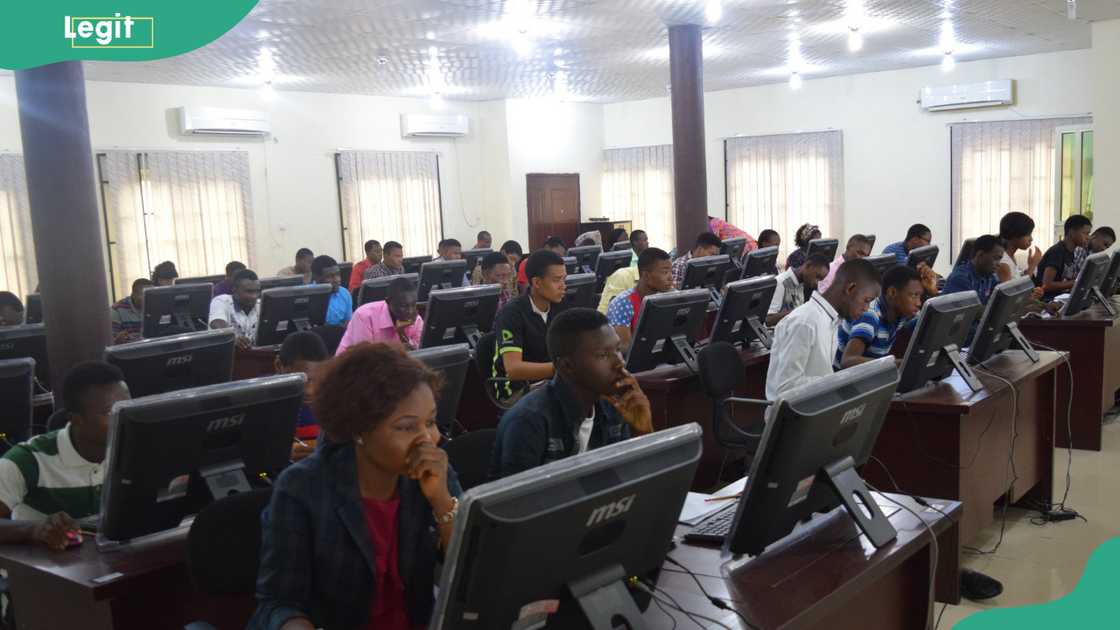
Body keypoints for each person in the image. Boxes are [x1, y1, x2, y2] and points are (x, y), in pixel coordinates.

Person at [249, 344, 460, 630]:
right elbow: (277, 602)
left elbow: (470, 573)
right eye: (406, 427)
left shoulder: (433, 473)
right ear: (360, 430)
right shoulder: (302, 489)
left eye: (432, 422)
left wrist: (442, 502)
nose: (427, 439)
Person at [489, 308, 652, 479]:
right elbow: (518, 502)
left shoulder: (614, 408)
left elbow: (634, 484)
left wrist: (642, 431)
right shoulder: (529, 421)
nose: (620, 362)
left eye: (618, 350)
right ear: (567, 366)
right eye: (603, 355)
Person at [0, 361, 129, 548]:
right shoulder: (28, 459)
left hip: (109, 563)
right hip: (39, 571)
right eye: (110, 412)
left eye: (127, 406)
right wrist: (34, 529)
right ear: (76, 419)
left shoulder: (135, 450)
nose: (124, 417)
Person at [765, 258, 880, 401]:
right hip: (791, 418)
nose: (866, 309)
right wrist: (837, 381)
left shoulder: (831, 320)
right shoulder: (805, 322)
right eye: (866, 300)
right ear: (850, 289)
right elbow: (786, 388)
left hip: (816, 407)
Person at [493, 250, 569, 401]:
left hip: (550, 383)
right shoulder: (511, 313)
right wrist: (563, 369)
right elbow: (514, 369)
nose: (563, 286)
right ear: (537, 283)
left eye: (564, 279)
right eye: (557, 280)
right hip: (516, 391)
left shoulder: (560, 307)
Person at [835, 265, 922, 369]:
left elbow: (929, 321)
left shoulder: (901, 313)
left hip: (868, 375)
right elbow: (848, 361)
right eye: (914, 295)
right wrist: (895, 364)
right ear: (892, 292)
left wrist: (933, 292)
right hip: (842, 378)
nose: (919, 303)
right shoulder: (870, 315)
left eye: (920, 296)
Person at [275, 331, 330, 462]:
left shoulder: (332, 403)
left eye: (317, 380)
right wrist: (280, 453)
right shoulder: (261, 400)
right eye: (302, 380)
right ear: (278, 366)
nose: (310, 391)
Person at [336, 277, 423, 354]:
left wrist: (401, 333)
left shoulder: (416, 319)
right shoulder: (364, 316)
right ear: (388, 302)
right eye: (404, 306)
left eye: (413, 304)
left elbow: (418, 353)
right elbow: (364, 358)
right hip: (349, 367)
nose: (410, 311)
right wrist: (396, 350)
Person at [607, 248, 673, 348]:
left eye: (670, 272)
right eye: (665, 272)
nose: (670, 278)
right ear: (646, 275)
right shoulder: (623, 303)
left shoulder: (666, 297)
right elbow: (624, 348)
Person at [1036, 215, 1092, 299]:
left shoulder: (1072, 252)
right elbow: (1046, 285)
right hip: (1047, 300)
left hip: (1061, 297)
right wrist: (1077, 282)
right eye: (1085, 233)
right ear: (1072, 232)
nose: (1088, 237)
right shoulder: (1057, 252)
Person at [767, 254, 832, 326]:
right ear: (808, 265)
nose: (817, 283)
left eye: (820, 280)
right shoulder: (781, 283)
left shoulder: (802, 283)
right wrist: (799, 311)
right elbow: (768, 319)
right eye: (817, 277)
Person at [208, 269, 261, 349]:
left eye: (257, 291)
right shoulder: (221, 301)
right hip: (225, 354)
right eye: (249, 291)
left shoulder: (260, 305)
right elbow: (217, 322)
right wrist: (233, 337)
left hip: (252, 354)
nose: (254, 296)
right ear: (234, 289)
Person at [943, 235, 1004, 304]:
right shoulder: (960, 278)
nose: (999, 264)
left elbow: (1001, 299)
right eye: (996, 258)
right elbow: (974, 311)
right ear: (980, 255)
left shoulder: (989, 276)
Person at [996, 212, 1043, 282]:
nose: (1031, 239)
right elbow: (1012, 291)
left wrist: (1030, 267)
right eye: (1028, 234)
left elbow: (1016, 281)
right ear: (1014, 234)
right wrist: (1032, 266)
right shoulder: (1003, 262)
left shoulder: (1010, 255)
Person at [312, 255, 353, 327]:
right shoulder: (309, 296)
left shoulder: (344, 293)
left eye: (338, 274)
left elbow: (348, 322)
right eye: (330, 276)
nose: (337, 280)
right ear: (316, 278)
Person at [110, 278, 152, 344]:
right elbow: (111, 340)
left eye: (150, 296)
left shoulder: (154, 305)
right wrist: (117, 340)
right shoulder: (117, 309)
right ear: (133, 294)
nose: (148, 299)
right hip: (129, 350)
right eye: (144, 295)